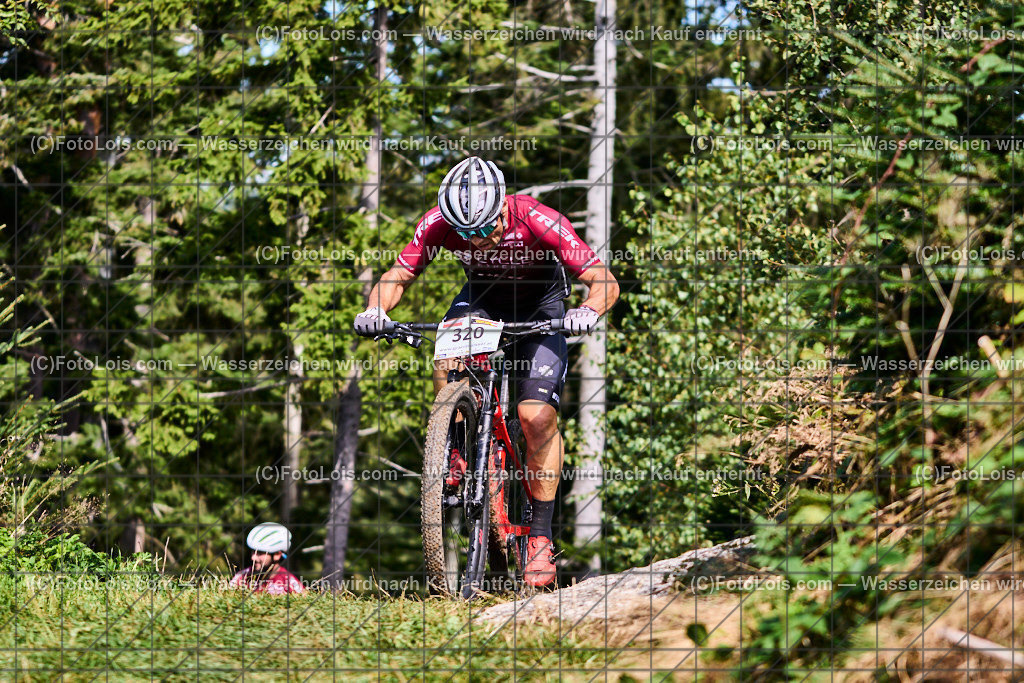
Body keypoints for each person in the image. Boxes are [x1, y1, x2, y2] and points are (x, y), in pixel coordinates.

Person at [354, 156, 620, 587]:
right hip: (483, 299)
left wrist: (587, 311)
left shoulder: (537, 217)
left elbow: (603, 279)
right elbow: (398, 275)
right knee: (446, 357)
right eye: (465, 233)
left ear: (501, 208)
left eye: (484, 229)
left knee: (535, 417)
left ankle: (539, 535)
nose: (476, 240)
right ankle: (454, 446)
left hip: (541, 307)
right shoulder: (441, 220)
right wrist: (375, 309)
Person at [229, 522, 306, 595]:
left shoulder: (291, 584)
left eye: (260, 553)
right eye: (253, 552)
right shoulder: (242, 577)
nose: (253, 557)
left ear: (277, 555)